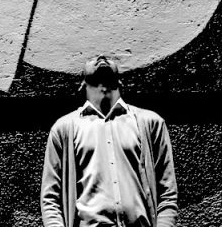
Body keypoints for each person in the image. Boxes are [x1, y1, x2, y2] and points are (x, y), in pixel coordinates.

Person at [40, 55, 178, 227]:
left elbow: (167, 195)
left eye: (110, 58)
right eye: (91, 58)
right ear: (82, 82)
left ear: (120, 80)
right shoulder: (64, 128)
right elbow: (50, 199)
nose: (101, 57)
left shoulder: (150, 123)